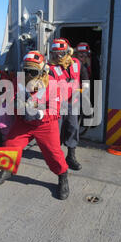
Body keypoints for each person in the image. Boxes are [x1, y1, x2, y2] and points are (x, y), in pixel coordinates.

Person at [0, 51, 70, 200]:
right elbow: (11, 98)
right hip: (24, 122)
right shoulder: (17, 81)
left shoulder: (52, 84)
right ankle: (7, 169)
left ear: (42, 71)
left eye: (32, 71)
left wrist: (39, 114)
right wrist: (17, 106)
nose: (27, 75)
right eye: (24, 71)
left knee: (54, 154)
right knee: (10, 144)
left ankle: (63, 176)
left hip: (45, 124)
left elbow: (56, 110)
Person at [49, 39, 88, 171]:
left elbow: (84, 76)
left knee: (73, 128)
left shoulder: (76, 63)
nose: (57, 57)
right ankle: (56, 155)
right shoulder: (50, 69)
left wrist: (85, 88)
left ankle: (71, 156)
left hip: (74, 103)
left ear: (67, 52)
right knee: (56, 130)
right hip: (58, 105)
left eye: (60, 54)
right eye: (55, 54)